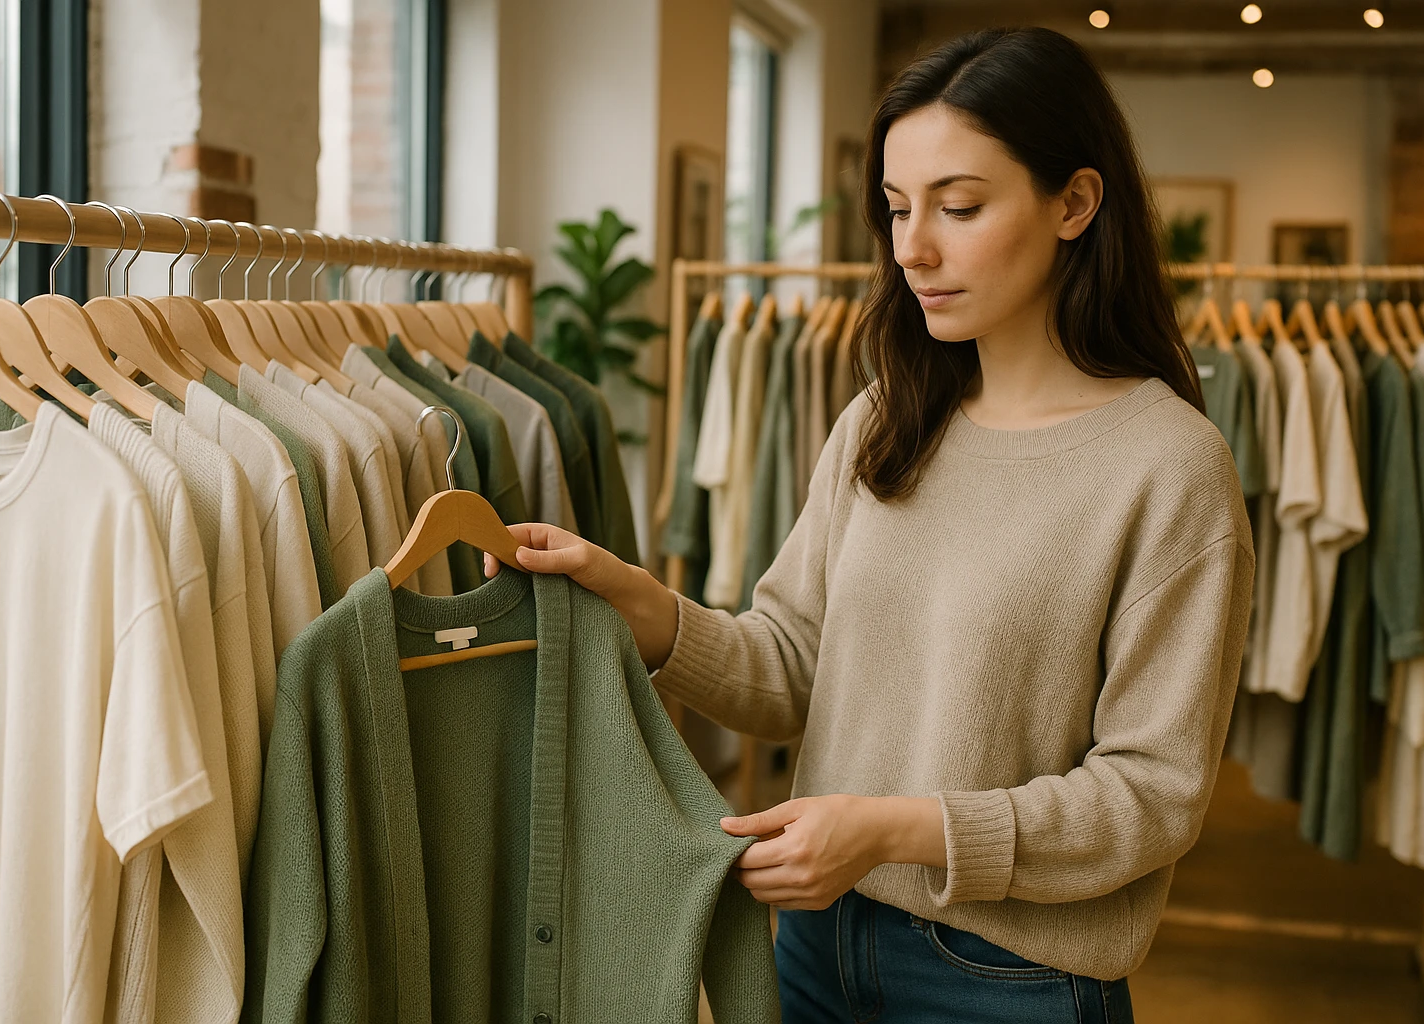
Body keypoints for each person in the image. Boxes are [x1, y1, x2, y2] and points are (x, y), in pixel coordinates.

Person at [486, 26, 1253, 1024]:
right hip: (813, 945)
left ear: (1076, 201)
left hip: (1008, 981)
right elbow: (795, 665)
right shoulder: (884, 422)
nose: (913, 248)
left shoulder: (1168, 466)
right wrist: (652, 615)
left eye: (959, 206)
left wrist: (897, 829)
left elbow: (1152, 798)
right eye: (896, 209)